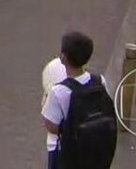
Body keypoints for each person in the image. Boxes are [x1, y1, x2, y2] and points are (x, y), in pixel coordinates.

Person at [41, 31, 117, 169]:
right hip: (93, 146)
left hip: (64, 151)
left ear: (62, 57)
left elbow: (51, 126)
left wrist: (45, 101)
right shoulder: (99, 80)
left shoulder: (59, 91)